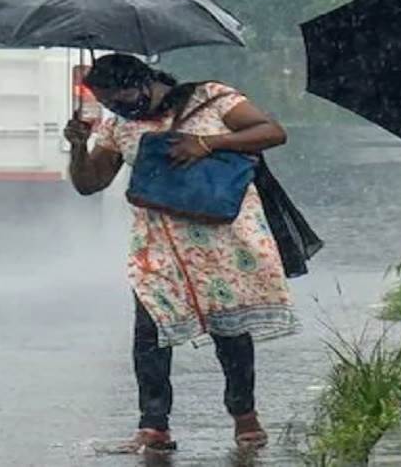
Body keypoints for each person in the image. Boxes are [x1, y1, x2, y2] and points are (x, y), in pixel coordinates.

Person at [63, 54, 298, 452]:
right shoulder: (119, 126)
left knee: (230, 330)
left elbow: (272, 131)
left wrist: (207, 143)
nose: (116, 109)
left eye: (120, 99)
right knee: (150, 331)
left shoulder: (212, 98)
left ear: (143, 83)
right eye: (107, 104)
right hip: (157, 243)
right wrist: (78, 148)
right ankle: (154, 427)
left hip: (221, 238)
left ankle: (245, 418)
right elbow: (90, 184)